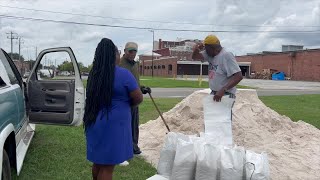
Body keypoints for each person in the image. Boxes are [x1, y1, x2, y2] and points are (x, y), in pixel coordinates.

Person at [84, 38, 143, 180]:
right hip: (114, 125)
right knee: (107, 167)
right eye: (117, 52)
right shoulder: (123, 74)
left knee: (98, 163)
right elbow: (138, 98)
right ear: (113, 55)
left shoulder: (93, 74)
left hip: (94, 122)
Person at [119, 42, 151, 155]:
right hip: (124, 101)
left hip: (135, 101)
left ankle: (134, 146)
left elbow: (135, 83)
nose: (132, 53)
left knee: (134, 126)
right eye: (130, 51)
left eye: (134, 51)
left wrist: (142, 89)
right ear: (125, 51)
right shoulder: (119, 64)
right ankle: (124, 149)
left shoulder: (135, 65)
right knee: (124, 126)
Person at [192, 35, 243, 102]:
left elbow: (238, 76)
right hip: (214, 93)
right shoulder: (210, 54)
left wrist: (223, 90)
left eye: (206, 49)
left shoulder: (226, 55)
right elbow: (195, 57)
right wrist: (197, 49)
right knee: (212, 112)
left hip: (226, 94)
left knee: (224, 112)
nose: (205, 51)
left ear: (213, 48)